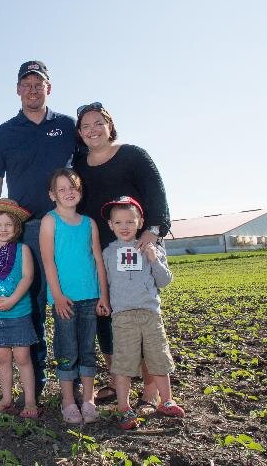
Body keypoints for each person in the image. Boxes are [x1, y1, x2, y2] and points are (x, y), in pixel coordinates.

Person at [0, 61, 76, 402]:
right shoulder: (4, 133)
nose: (33, 89)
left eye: (39, 84)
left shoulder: (67, 126)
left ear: (49, 88)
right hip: (27, 229)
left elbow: (85, 173)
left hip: (64, 226)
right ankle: (36, 386)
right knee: (31, 306)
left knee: (67, 302)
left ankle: (72, 382)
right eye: (27, 84)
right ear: (18, 89)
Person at [73, 102, 170, 409]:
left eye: (98, 123)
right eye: (86, 126)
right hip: (102, 252)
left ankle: (150, 390)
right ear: (79, 133)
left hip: (138, 248)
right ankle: (120, 383)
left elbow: (157, 194)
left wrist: (152, 232)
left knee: (141, 317)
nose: (92, 130)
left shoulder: (133, 155)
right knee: (108, 317)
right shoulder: (78, 164)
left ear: (109, 126)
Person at [101, 196, 185, 429]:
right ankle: (124, 407)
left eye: (130, 221)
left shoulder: (153, 247)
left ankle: (166, 400)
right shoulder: (108, 253)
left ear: (140, 223)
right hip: (123, 316)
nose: (125, 227)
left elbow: (165, 280)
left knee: (158, 357)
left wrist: (153, 258)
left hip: (150, 314)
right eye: (118, 222)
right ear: (111, 225)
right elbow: (104, 281)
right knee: (124, 362)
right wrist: (104, 301)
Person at [39, 168, 110, 424]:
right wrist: (57, 295)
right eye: (62, 189)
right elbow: (48, 261)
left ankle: (88, 399)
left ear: (80, 191)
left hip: (91, 296)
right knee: (67, 348)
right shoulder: (50, 221)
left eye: (73, 187)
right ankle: (68, 400)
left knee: (88, 348)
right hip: (64, 300)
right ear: (52, 195)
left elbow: (98, 261)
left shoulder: (89, 223)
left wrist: (103, 295)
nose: (68, 193)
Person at [0, 198, 39, 419]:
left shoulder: (23, 250)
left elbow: (27, 277)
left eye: (8, 225)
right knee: (3, 358)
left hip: (18, 312)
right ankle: (6, 399)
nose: (3, 229)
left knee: (23, 358)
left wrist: (12, 299)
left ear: (16, 227)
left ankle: (30, 400)